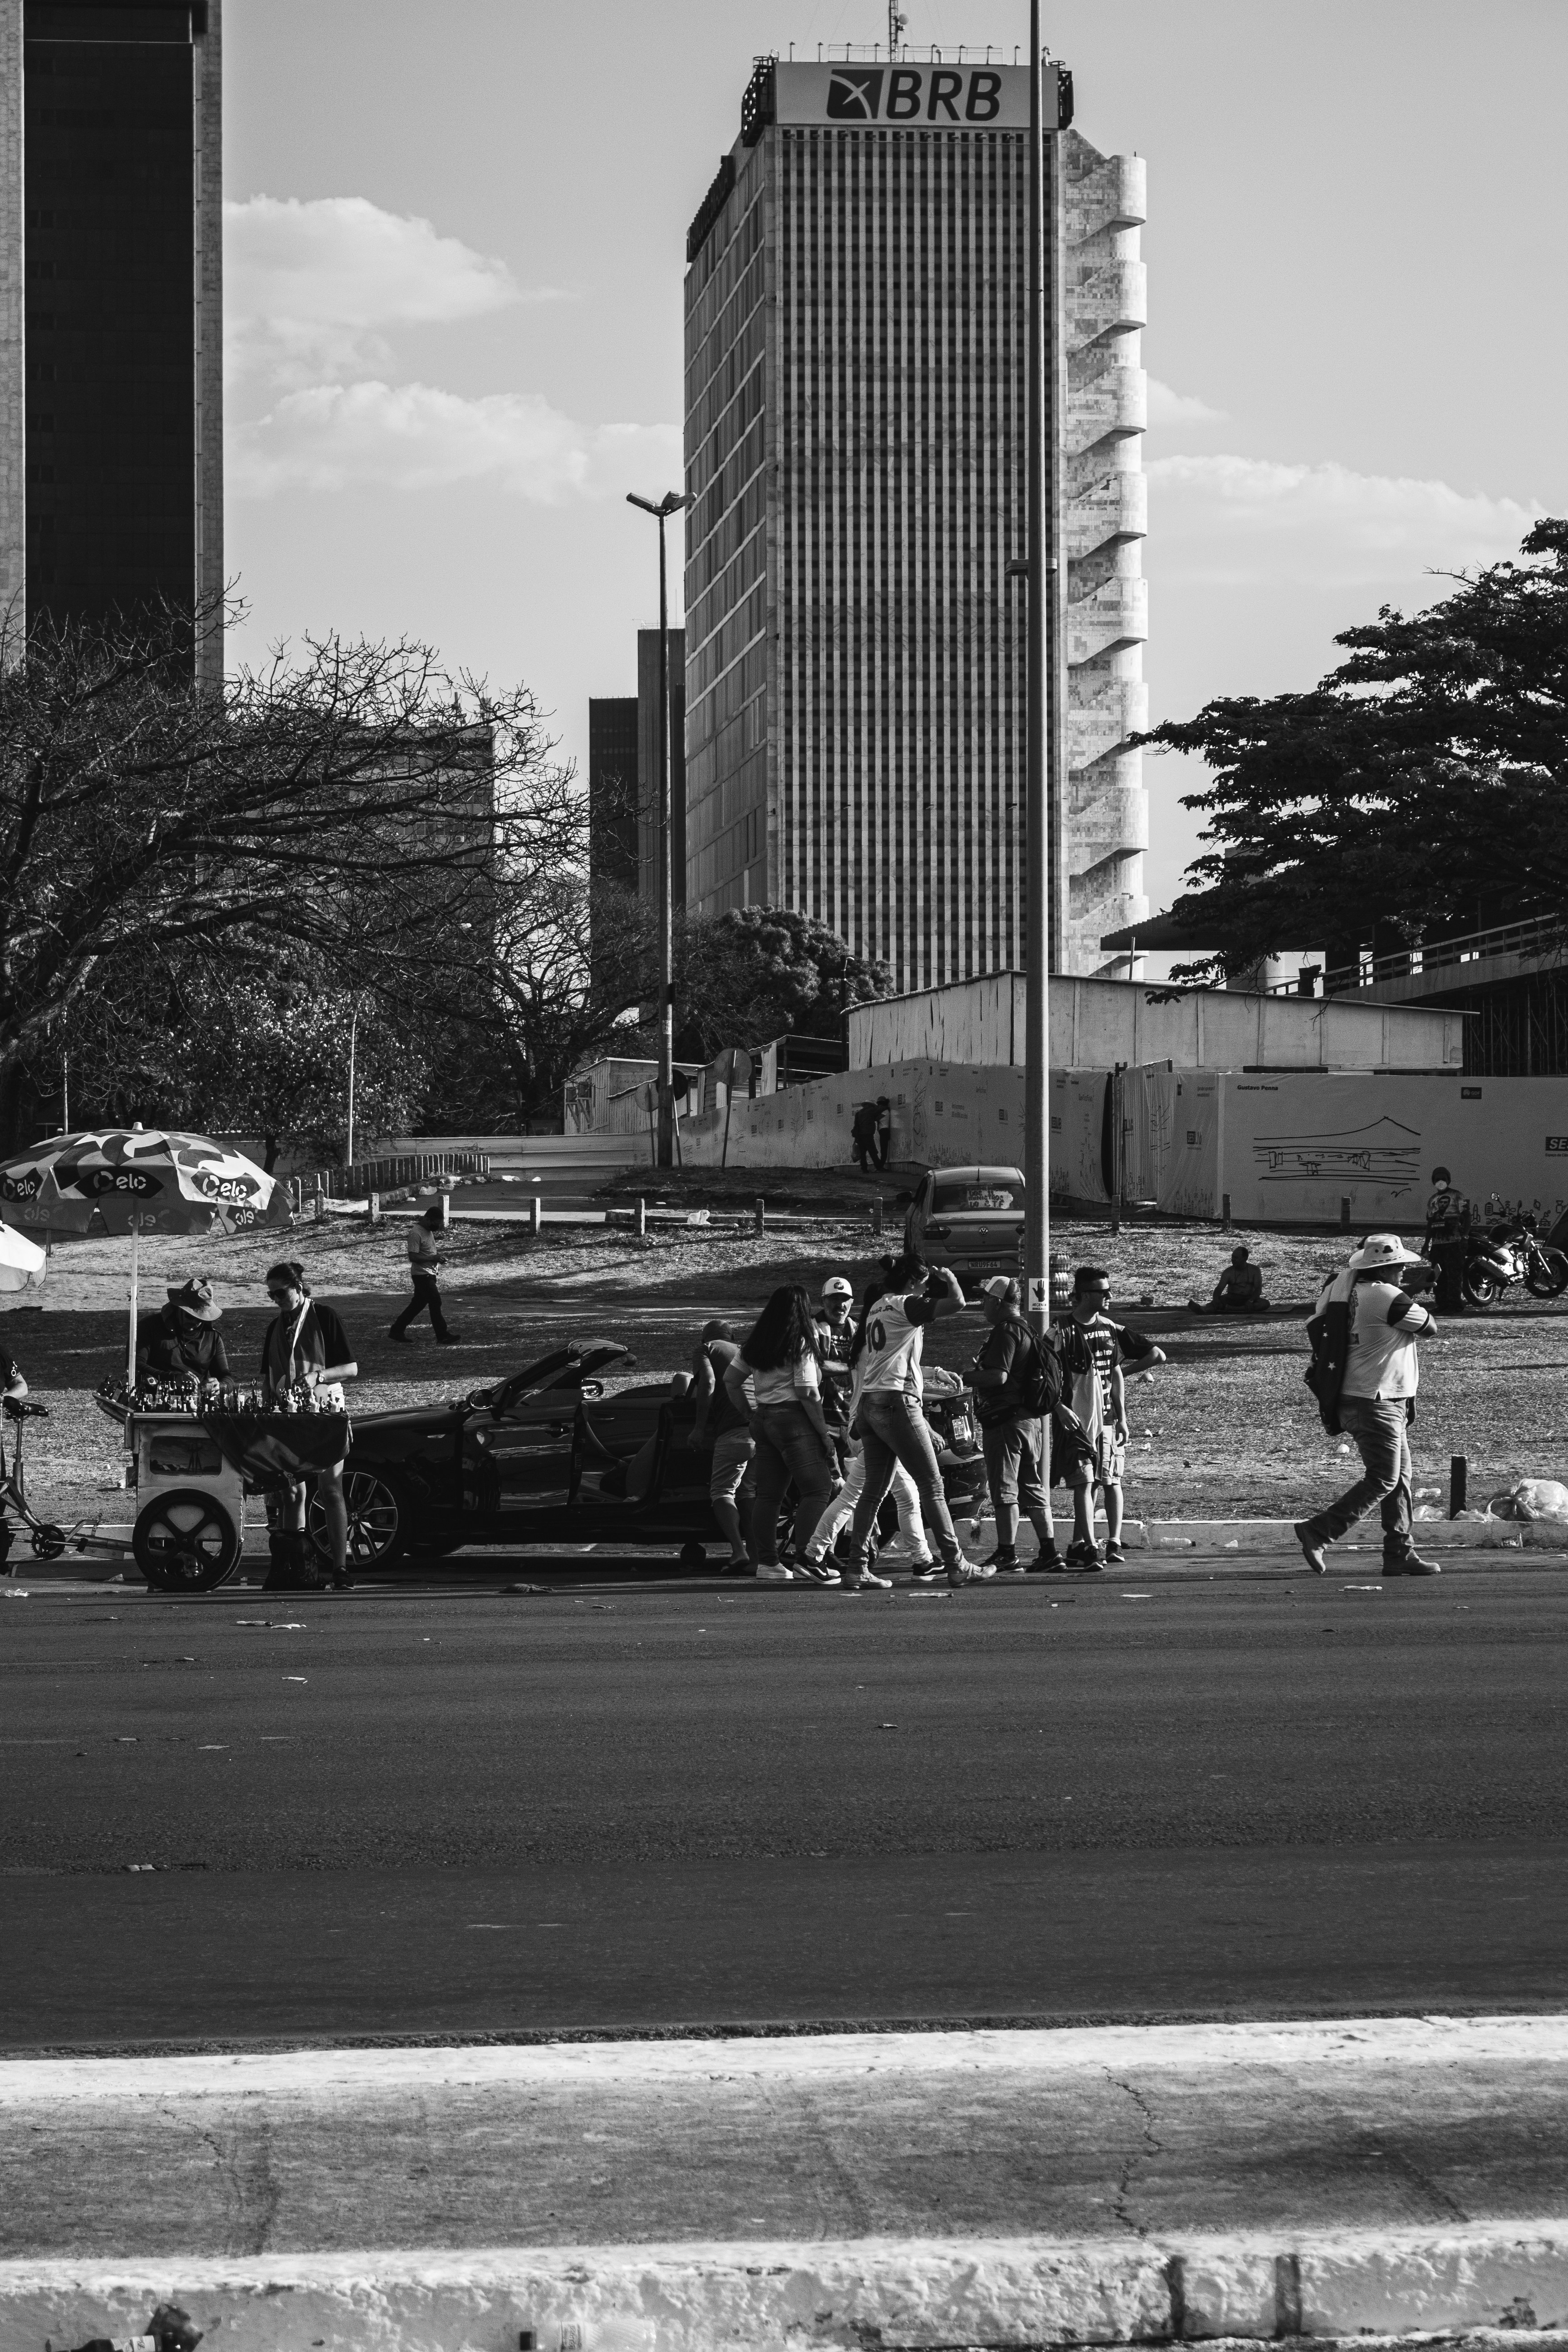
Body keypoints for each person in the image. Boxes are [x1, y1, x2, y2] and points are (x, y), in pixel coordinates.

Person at [1296, 1232, 1441, 1578]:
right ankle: (1319, 1530)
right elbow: (1430, 1327)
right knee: (1384, 1478)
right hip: (1377, 1400)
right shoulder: (1390, 1298)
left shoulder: (1341, 1293)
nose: (1404, 1271)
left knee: (1400, 1479)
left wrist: (1410, 1291)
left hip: (1355, 1396)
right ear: (1387, 1268)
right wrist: (1412, 1293)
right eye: (1400, 1267)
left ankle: (1399, 1553)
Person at [842, 1249, 974, 1589]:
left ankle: (856, 1567)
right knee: (932, 1485)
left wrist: (933, 1372)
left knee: (872, 1491)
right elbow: (957, 1303)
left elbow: (889, 1360)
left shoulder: (875, 1308)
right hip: (897, 1404)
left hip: (870, 1404)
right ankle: (956, 1563)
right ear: (915, 1281)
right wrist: (950, 1279)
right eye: (925, 1285)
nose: (926, 1292)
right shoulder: (905, 1304)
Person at [803, 1274, 919, 1584]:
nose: (839, 1305)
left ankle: (911, 1558)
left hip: (855, 1421)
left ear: (854, 1303)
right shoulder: (822, 1330)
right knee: (854, 1494)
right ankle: (819, 1553)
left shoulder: (863, 1330)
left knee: (879, 1494)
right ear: (823, 1301)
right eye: (833, 1299)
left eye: (844, 1300)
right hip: (847, 1423)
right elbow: (817, 1368)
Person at [724, 1284, 840, 1583]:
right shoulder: (800, 1341)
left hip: (763, 1419)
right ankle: (807, 1558)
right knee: (817, 1489)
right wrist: (824, 1435)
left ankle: (768, 1563)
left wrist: (751, 1413)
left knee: (769, 1496)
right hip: (793, 1421)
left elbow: (731, 1380)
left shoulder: (756, 1343)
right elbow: (807, 1392)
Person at [1052, 1267, 1165, 1569]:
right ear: (1085, 1294)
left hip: (1108, 1421)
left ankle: (1107, 1543)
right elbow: (1046, 1375)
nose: (1110, 1296)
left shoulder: (1109, 1328)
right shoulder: (1061, 1331)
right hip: (1077, 1421)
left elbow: (1116, 1370)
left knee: (1111, 1480)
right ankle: (1086, 1546)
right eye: (1104, 1292)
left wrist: (1123, 1417)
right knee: (1084, 1482)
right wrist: (1059, 1408)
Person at [261, 1261, 359, 1591]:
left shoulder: (324, 1316)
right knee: (292, 1492)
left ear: (299, 1287)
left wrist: (319, 1376)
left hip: (323, 1410)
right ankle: (297, 1566)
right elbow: (267, 1378)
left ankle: (341, 1567)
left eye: (280, 1292)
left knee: (331, 1489)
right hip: (288, 1415)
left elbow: (351, 1368)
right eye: (271, 1294)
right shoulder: (275, 1327)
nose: (276, 1299)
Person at [969, 1275, 1065, 1573]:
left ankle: (1007, 1554)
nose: (982, 1304)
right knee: (1033, 1488)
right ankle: (1049, 1552)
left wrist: (961, 1376)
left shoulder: (1006, 1331)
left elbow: (998, 1376)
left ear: (998, 1302)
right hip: (1030, 1424)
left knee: (1005, 1489)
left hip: (1006, 1423)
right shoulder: (1028, 1330)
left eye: (985, 1298)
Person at [688, 1317, 754, 1573]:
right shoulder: (748, 1352)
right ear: (733, 1338)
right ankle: (760, 1556)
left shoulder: (706, 1349)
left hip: (733, 1432)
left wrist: (699, 1428)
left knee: (722, 1492)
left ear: (705, 1338)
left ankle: (739, 1551)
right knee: (749, 1493)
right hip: (760, 1430)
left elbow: (709, 1383)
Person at [135, 1278, 231, 1394]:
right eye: (191, 1316)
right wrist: (173, 1378)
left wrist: (220, 1387)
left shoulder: (212, 1336)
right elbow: (135, 1365)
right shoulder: (150, 1326)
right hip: (156, 1396)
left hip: (197, 1401)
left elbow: (226, 1376)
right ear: (178, 1308)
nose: (196, 1322)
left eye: (201, 1318)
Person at [389, 1207, 461, 1346]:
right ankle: (442, 1335)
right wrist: (433, 1257)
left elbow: (427, 1253)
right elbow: (413, 1256)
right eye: (436, 1224)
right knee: (435, 1301)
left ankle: (397, 1330)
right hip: (422, 1274)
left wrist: (436, 1259)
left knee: (418, 1304)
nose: (437, 1227)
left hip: (429, 1273)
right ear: (428, 1219)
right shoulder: (416, 1234)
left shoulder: (428, 1231)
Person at [1188, 1247, 1269, 1316]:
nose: (1233, 1260)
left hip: (1248, 1299)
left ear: (1245, 1259)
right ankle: (1203, 1309)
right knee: (1215, 1304)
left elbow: (1258, 1289)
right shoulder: (1228, 1272)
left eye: (1236, 1258)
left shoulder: (1255, 1270)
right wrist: (1216, 1300)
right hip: (1231, 1299)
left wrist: (1251, 1301)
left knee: (1265, 1304)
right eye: (1232, 1257)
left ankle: (1231, 1309)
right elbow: (1219, 1288)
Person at [850, 1101, 879, 1176]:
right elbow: (879, 1116)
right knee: (873, 1151)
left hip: (860, 1135)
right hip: (868, 1134)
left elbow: (856, 1125)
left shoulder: (859, 1113)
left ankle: (864, 1169)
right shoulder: (872, 1111)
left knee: (863, 1153)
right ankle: (879, 1167)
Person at [875, 1097, 893, 1170]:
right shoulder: (885, 1110)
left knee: (884, 1150)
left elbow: (876, 1119)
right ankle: (880, 1166)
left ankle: (880, 1166)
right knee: (883, 1149)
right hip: (883, 1131)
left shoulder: (885, 1111)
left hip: (884, 1130)